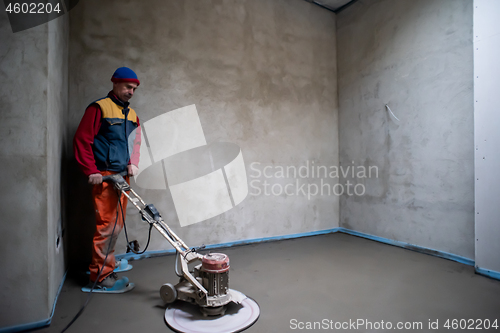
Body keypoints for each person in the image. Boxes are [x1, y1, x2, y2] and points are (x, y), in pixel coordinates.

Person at [73, 67, 141, 292]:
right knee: (108, 227)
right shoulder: (99, 108)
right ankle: (100, 277)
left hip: (122, 177)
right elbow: (83, 140)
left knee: (117, 224)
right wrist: (90, 170)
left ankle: (108, 263)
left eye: (134, 88)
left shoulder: (132, 115)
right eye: (127, 87)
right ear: (115, 83)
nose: (131, 92)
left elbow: (135, 142)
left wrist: (133, 162)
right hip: (104, 176)